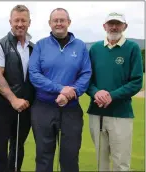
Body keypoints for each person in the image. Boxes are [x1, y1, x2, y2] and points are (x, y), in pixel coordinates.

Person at [29, 8, 92, 172]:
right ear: (50, 23)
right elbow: (34, 74)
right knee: (43, 155)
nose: (59, 23)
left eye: (62, 20)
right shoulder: (41, 45)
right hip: (43, 107)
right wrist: (61, 89)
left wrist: (72, 93)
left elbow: (86, 74)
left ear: (68, 23)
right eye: (55, 20)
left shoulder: (80, 46)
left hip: (71, 109)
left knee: (70, 156)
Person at [86, 12, 143, 171]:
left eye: (118, 23)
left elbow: (137, 81)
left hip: (121, 114)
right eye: (110, 23)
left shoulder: (132, 48)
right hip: (96, 113)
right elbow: (87, 79)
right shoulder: (95, 49)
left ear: (125, 26)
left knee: (121, 163)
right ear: (104, 26)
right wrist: (96, 93)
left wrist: (112, 96)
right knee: (100, 162)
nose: (114, 27)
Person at [0, 5, 35, 172]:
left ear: (29, 22)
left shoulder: (33, 48)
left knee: (17, 148)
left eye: (24, 20)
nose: (20, 24)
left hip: (26, 107)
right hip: (3, 107)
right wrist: (13, 99)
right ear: (10, 22)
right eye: (17, 20)